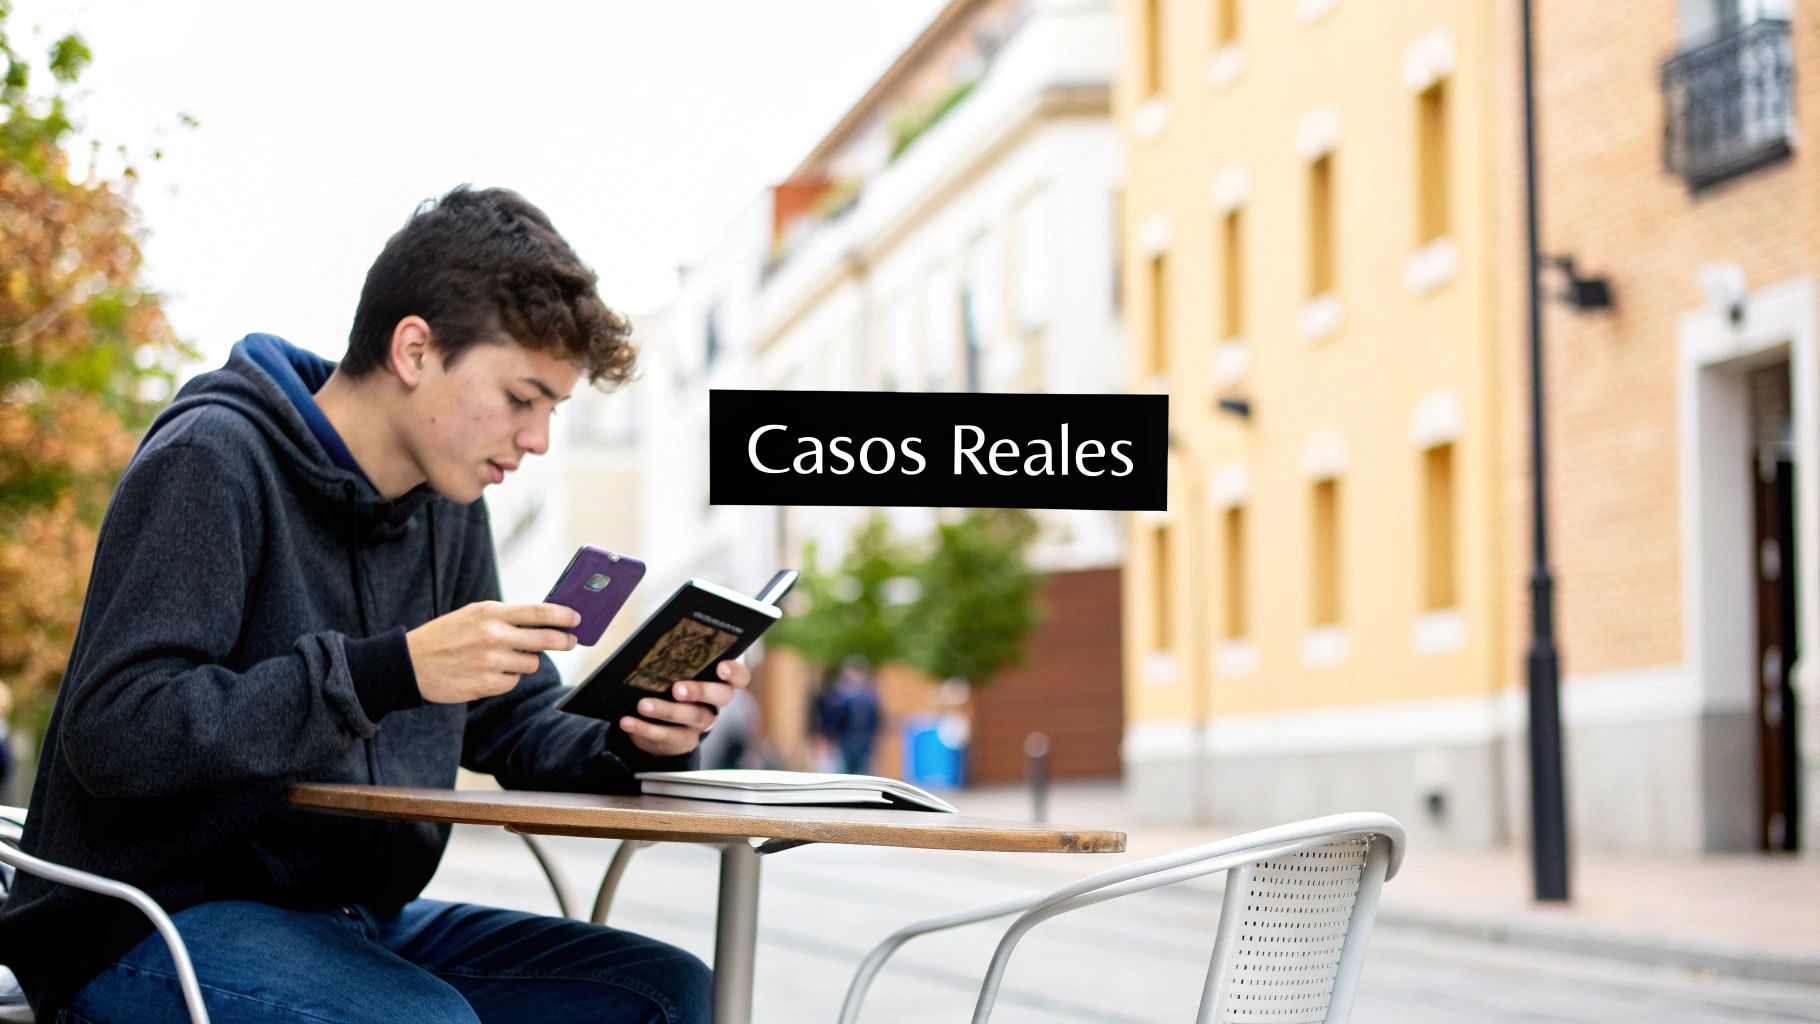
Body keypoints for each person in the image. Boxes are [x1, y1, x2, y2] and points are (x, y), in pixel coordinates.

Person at [0, 186, 744, 1024]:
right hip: (145, 921)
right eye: (521, 398)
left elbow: (507, 719)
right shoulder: (213, 458)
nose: (537, 440)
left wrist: (631, 734)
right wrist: (388, 671)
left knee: (660, 992)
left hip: (355, 918)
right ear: (416, 350)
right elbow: (117, 729)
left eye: (552, 411)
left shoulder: (450, 503)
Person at [819, 656, 882, 776]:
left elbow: (875, 718)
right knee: (843, 769)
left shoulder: (869, 695)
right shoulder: (838, 693)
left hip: (864, 739)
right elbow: (830, 716)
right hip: (843, 739)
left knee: (862, 769)